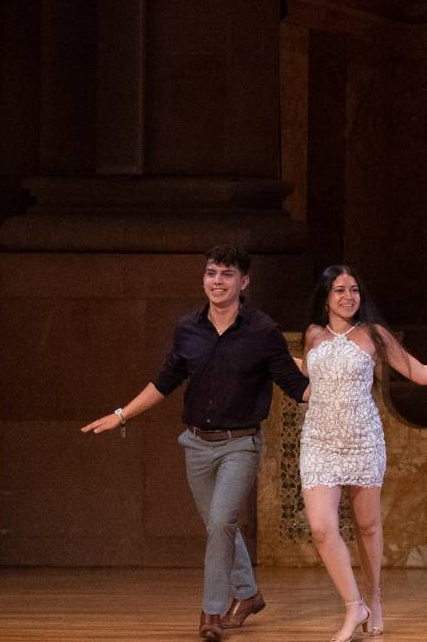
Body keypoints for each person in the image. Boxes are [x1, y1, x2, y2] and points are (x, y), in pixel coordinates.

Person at [82, 246, 310, 641]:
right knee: (218, 526)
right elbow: (166, 380)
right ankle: (249, 595)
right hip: (197, 445)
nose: (217, 281)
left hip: (240, 444)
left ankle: (211, 612)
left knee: (222, 521)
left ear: (244, 282)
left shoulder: (262, 330)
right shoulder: (189, 328)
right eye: (211, 273)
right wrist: (122, 415)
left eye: (226, 274)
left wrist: (343, 387)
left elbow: (295, 385)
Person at [300, 265, 427, 642]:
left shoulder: (374, 335)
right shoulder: (312, 336)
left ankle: (374, 598)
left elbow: (419, 370)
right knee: (321, 526)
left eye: (354, 290)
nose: (349, 297)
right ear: (325, 296)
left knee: (367, 525)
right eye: (340, 290)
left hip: (363, 439)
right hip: (318, 441)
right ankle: (353, 606)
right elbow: (311, 379)